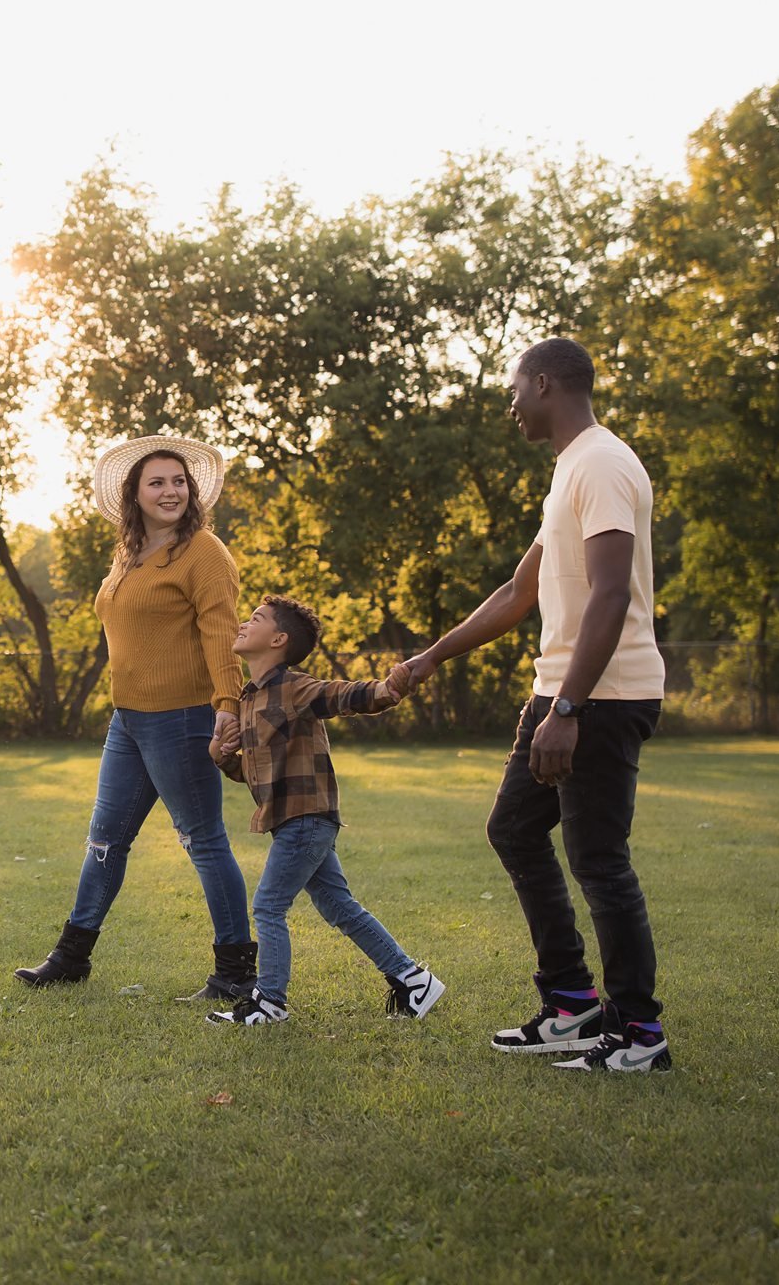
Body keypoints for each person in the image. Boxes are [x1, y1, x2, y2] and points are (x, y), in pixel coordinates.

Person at [388, 337, 672, 1073]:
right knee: (514, 830)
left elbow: (613, 594)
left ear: (544, 384)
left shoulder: (603, 463)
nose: (510, 405)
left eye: (516, 389)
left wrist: (570, 711)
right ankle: (573, 1004)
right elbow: (519, 593)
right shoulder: (570, 470)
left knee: (599, 861)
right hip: (562, 690)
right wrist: (431, 656)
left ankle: (640, 1034)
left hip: (601, 697)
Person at [15, 435, 254, 1000]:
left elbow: (222, 632)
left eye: (179, 481)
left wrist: (228, 707)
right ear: (135, 493)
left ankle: (237, 971)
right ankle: (71, 958)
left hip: (183, 718)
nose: (171, 491)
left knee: (203, 841)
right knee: (105, 840)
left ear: (191, 490)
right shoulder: (130, 553)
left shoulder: (205, 553)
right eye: (157, 482)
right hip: (129, 722)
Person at [206, 594, 444, 1027]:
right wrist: (222, 755)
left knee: (268, 907)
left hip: (307, 820)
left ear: (278, 639)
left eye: (254, 618)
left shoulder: (293, 687)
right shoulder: (248, 699)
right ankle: (413, 979)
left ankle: (269, 1001)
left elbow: (342, 695)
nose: (243, 623)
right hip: (292, 822)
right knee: (339, 907)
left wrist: (388, 690)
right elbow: (252, 774)